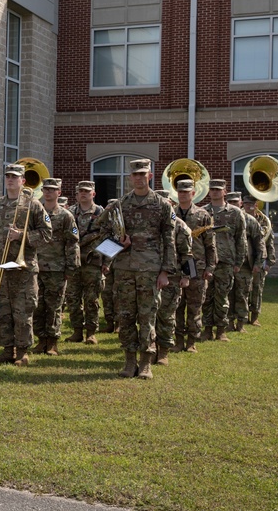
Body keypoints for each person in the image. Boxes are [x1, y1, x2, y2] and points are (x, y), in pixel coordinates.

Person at [98, 159, 177, 380]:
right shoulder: (120, 205)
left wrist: (165, 272)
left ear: (150, 177)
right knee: (125, 316)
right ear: (130, 178)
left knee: (147, 316)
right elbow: (101, 234)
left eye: (143, 174)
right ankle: (129, 359)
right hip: (124, 269)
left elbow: (169, 241)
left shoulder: (162, 205)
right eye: (135, 175)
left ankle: (145, 362)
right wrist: (118, 243)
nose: (139, 178)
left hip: (150, 270)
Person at [0, 163, 53, 367]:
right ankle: (7, 350)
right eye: (8, 176)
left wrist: (22, 235)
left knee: (23, 310)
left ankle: (22, 352)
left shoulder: (33, 204)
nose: (10, 179)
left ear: (23, 181)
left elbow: (47, 234)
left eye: (15, 177)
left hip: (24, 267)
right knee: (3, 310)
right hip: (0, 265)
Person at [33, 178, 80, 356]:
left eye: (52, 190)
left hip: (56, 268)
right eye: (46, 189)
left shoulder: (65, 216)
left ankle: (52, 342)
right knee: (38, 306)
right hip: (36, 267)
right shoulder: (36, 213)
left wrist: (71, 268)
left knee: (54, 306)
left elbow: (72, 243)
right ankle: (40, 340)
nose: (48, 192)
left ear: (59, 193)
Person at [173, 179, 216, 353]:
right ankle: (177, 340)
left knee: (195, 306)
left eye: (186, 191)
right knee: (176, 306)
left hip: (197, 268)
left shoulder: (203, 215)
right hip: (175, 267)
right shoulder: (170, 213)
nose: (183, 194)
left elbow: (210, 244)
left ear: (193, 193)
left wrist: (210, 267)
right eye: (180, 191)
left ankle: (191, 341)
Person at [201, 179, 246, 343]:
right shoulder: (203, 212)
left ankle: (221, 330)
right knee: (206, 297)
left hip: (226, 261)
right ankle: (206, 330)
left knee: (222, 297)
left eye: (218, 189)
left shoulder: (235, 213)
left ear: (224, 191)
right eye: (212, 189)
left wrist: (238, 262)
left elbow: (241, 239)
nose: (215, 192)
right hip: (207, 262)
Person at [153, 190, 191, 366]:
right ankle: (150, 348)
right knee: (149, 316)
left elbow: (187, 254)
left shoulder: (180, 226)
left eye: (166, 203)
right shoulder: (150, 224)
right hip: (150, 275)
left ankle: (164, 351)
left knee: (167, 315)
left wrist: (187, 276)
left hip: (173, 278)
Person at [65, 181, 105, 341]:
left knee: (91, 300)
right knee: (73, 299)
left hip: (93, 263)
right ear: (76, 194)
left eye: (87, 192)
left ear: (93, 194)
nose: (83, 194)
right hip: (74, 262)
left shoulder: (101, 213)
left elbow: (110, 238)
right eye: (80, 191)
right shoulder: (69, 212)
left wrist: (106, 263)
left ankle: (91, 332)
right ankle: (77, 331)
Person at [228, 192, 265, 333]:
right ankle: (229, 322)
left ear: (240, 203)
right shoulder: (223, 219)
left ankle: (241, 323)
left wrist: (258, 263)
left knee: (242, 294)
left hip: (244, 265)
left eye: (235, 202)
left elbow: (259, 244)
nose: (233, 205)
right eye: (230, 202)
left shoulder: (250, 221)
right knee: (228, 295)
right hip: (227, 264)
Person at [244, 195, 276, 326]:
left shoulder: (264, 221)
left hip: (259, 259)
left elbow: (269, 242)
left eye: (251, 203)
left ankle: (255, 316)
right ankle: (243, 315)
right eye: (245, 203)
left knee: (257, 289)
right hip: (245, 259)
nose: (248, 206)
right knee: (243, 289)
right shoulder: (240, 219)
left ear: (256, 205)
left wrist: (269, 261)